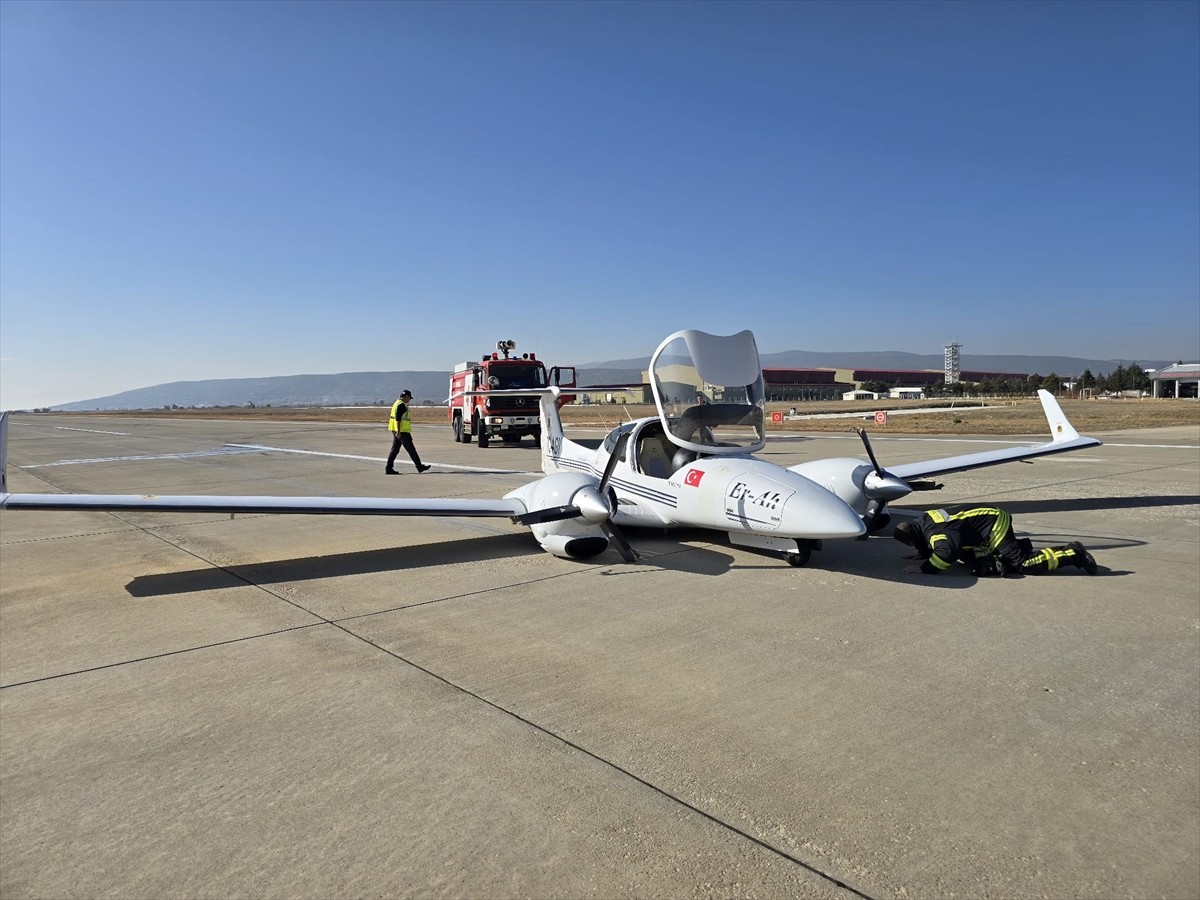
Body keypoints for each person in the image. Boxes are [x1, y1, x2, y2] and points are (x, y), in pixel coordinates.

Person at [893, 507, 1097, 576]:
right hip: (982, 525)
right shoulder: (923, 521)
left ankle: (1074, 554)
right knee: (973, 559)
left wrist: (925, 568)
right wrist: (923, 553)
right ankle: (1019, 548)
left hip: (993, 523)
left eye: (910, 543)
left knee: (1022, 564)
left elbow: (947, 553)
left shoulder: (937, 533)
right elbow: (928, 539)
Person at [386, 390, 431, 474]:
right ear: (406, 396)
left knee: (395, 449)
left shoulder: (397, 403)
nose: (409, 400)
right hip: (402, 431)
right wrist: (398, 432)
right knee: (411, 449)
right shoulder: (402, 405)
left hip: (395, 429)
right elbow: (398, 419)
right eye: (409, 398)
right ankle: (419, 466)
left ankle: (388, 468)